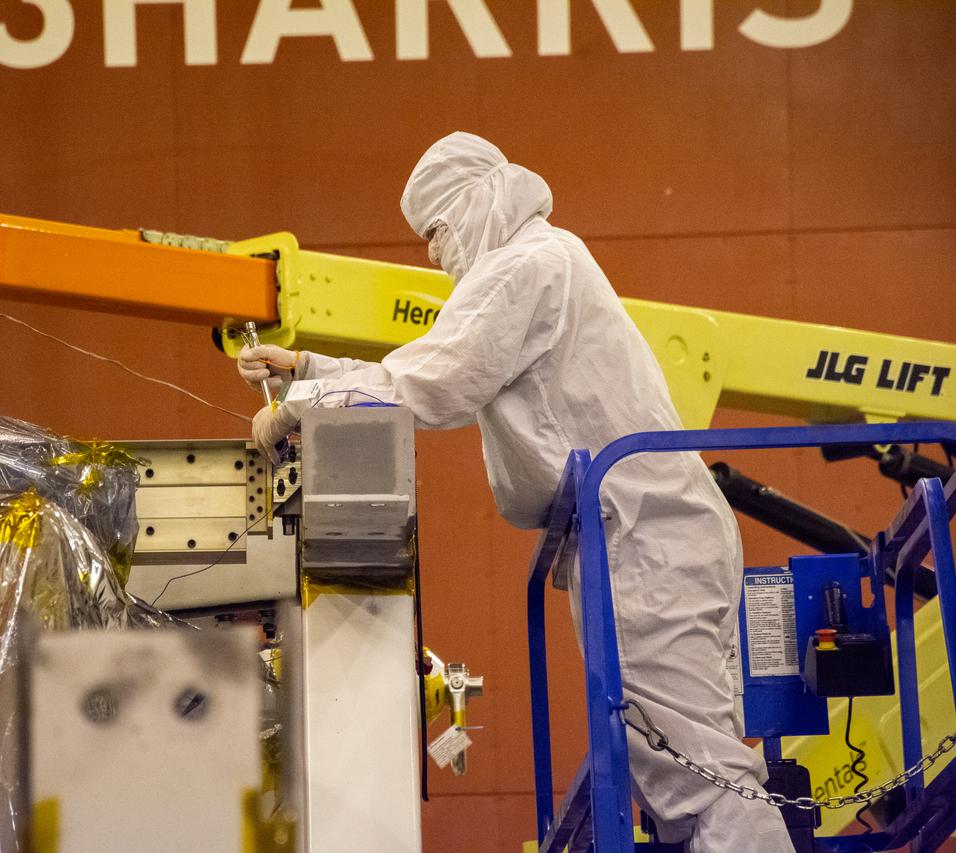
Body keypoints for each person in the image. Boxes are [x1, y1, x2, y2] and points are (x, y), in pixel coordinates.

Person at [237, 132, 794, 852]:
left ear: (475, 204)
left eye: (436, 231)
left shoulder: (531, 264)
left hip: (642, 537)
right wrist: (309, 364)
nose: (434, 253)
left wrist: (302, 402)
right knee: (677, 775)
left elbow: (435, 381)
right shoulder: (532, 265)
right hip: (628, 537)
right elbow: (445, 359)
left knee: (702, 781)